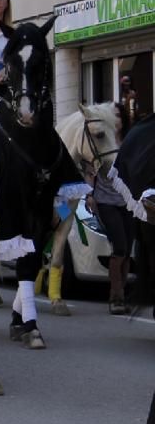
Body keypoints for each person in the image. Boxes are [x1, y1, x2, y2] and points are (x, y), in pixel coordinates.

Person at [86, 103, 135, 314]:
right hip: (106, 200)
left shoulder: (131, 140)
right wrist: (89, 194)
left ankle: (122, 293)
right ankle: (116, 297)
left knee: (127, 247)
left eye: (119, 116)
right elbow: (89, 168)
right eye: (112, 116)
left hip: (129, 201)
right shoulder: (101, 139)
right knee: (121, 246)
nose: (116, 120)